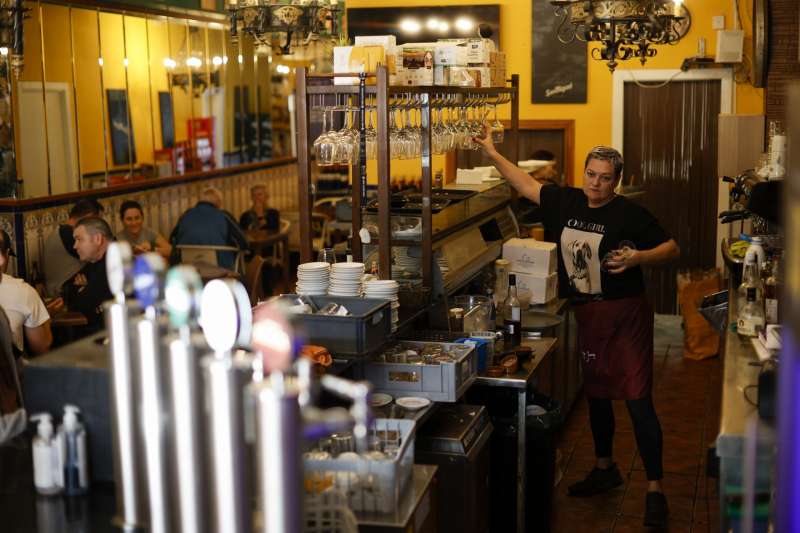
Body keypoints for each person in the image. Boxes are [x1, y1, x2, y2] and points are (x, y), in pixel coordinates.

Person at [473, 130, 680, 528]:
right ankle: (605, 468)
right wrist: (492, 153)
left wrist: (638, 257)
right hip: (588, 313)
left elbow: (671, 247)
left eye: (604, 177)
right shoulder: (566, 201)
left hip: (626, 314)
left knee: (638, 399)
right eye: (590, 174)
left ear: (616, 180)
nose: (595, 183)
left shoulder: (628, 213)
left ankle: (655, 488)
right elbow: (526, 183)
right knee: (598, 394)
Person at [0, 230, 53, 355]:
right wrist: (45, 318)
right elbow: (42, 347)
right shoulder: (23, 291)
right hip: (10, 373)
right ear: (5, 256)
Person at [170, 187, 249, 270]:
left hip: (188, 268)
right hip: (220, 269)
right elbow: (244, 243)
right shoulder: (223, 216)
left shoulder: (186, 215)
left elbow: (172, 239)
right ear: (218, 202)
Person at [42, 199, 103, 297]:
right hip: (62, 294)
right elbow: (99, 255)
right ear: (88, 217)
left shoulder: (64, 231)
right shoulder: (68, 234)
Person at [62, 217, 113, 333]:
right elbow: (67, 290)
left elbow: (81, 305)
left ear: (98, 239)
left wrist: (85, 289)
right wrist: (85, 288)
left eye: (79, 239)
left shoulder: (113, 263)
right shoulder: (96, 261)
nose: (75, 246)